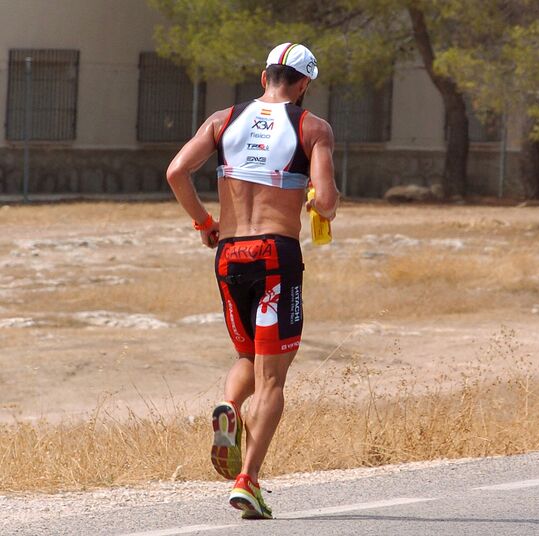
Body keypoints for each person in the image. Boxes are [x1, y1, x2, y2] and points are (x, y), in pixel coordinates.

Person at [165, 42, 338, 520]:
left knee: (247, 355)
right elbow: (325, 202)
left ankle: (228, 404)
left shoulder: (223, 120)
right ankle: (249, 480)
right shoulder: (313, 127)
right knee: (272, 377)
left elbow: (176, 171)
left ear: (265, 77)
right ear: (304, 84)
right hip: (276, 255)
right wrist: (322, 201)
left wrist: (204, 222)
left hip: (230, 254)